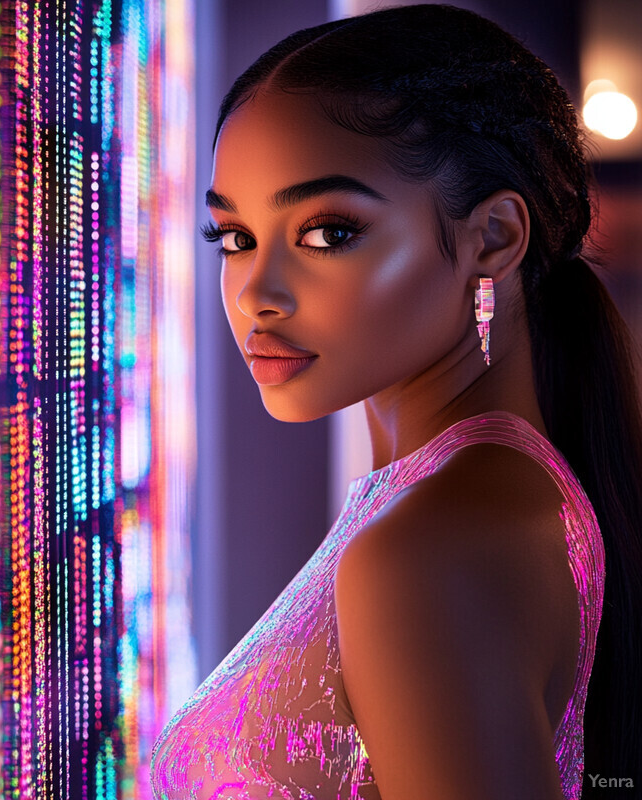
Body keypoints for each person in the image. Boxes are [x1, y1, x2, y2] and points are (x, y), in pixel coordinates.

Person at [150, 5, 642, 799]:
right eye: (234, 237)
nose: (256, 294)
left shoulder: (428, 546)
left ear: (493, 238)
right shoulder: (459, 503)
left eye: (328, 232)